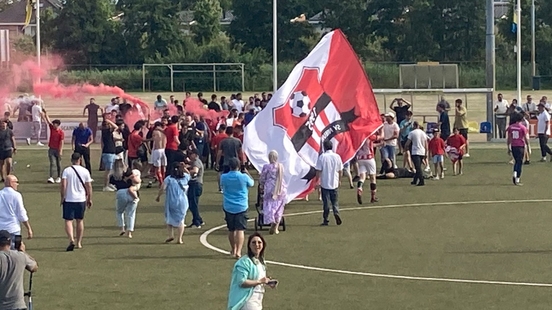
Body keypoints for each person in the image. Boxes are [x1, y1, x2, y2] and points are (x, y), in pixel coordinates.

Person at [227, 233, 277, 310]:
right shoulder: (244, 262)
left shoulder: (261, 261)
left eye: (259, 242)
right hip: (247, 300)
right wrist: (260, 281)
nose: (257, 245)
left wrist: (267, 282)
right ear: (249, 246)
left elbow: (258, 279)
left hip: (257, 299)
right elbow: (242, 282)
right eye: (253, 242)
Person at [221, 158, 254, 258]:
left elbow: (222, 185)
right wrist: (247, 172)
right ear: (239, 166)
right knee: (240, 230)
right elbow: (251, 183)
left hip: (228, 205)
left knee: (231, 230)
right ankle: (238, 251)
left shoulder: (224, 177)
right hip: (241, 205)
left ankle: (233, 249)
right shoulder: (243, 177)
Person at [60, 153, 93, 251]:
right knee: (80, 220)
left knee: (68, 220)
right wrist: (89, 198)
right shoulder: (85, 171)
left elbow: (63, 185)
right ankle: (79, 242)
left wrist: (62, 196)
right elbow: (89, 186)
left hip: (69, 199)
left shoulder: (66, 171)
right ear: (80, 159)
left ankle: (71, 239)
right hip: (81, 199)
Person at [0, 230, 38, 310]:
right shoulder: (20, 256)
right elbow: (34, 267)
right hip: (18, 305)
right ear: (10, 242)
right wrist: (23, 252)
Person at [156, 162, 191, 244]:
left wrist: (158, 196)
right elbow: (189, 174)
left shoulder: (169, 179)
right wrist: (184, 167)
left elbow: (162, 188)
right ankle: (180, 239)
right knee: (181, 220)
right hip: (182, 201)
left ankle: (170, 235)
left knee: (169, 217)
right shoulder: (185, 177)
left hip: (171, 201)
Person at [315, 140, 343, 226]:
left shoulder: (322, 157)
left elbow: (319, 171)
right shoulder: (337, 156)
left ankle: (326, 219)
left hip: (325, 183)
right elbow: (340, 170)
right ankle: (336, 212)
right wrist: (340, 180)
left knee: (326, 203)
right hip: (334, 182)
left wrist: (317, 181)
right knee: (335, 201)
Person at [259, 151, 287, 235]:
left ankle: (272, 221)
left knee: (269, 205)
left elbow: (263, 178)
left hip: (270, 188)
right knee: (279, 206)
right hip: (281, 188)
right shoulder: (281, 166)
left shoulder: (266, 167)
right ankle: (276, 226)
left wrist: (261, 184)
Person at [0, 175, 33, 245]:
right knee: (15, 252)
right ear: (11, 183)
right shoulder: (16, 195)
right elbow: (21, 213)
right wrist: (28, 228)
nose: (17, 184)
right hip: (13, 229)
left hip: (1, 228)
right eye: (16, 182)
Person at [114, 168, 141, 239]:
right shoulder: (133, 179)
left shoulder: (118, 177)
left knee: (119, 212)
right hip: (132, 194)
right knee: (131, 214)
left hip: (121, 192)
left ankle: (122, 228)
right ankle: (129, 232)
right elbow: (139, 181)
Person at [42, 109, 64, 184]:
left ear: (58, 125)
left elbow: (61, 142)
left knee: (58, 164)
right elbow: (48, 121)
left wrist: (60, 151)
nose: (53, 125)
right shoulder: (52, 128)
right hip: (51, 149)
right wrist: (46, 113)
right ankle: (51, 177)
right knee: (52, 163)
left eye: (55, 124)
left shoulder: (61, 132)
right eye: (53, 124)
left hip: (57, 149)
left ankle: (59, 177)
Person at [507, 113, 529, 186]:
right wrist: (528, 145)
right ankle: (517, 177)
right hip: (520, 146)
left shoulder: (511, 127)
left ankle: (515, 173)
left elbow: (509, 137)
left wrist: (508, 146)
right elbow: (525, 138)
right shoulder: (522, 127)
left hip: (513, 146)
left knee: (516, 160)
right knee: (519, 162)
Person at [405, 121, 428, 186]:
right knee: (418, 166)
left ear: (414, 126)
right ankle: (415, 180)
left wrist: (405, 147)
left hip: (415, 151)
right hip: (422, 151)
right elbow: (426, 143)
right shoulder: (423, 133)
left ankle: (421, 181)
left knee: (418, 167)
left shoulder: (412, 133)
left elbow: (408, 142)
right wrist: (426, 152)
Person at [355, 138, 378, 204]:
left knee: (362, 176)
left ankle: (360, 187)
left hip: (360, 158)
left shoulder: (358, 137)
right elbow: (379, 138)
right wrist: (380, 143)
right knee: (372, 177)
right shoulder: (369, 136)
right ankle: (373, 197)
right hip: (369, 157)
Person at [187, 149, 205, 229]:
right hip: (197, 184)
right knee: (193, 203)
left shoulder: (196, 162)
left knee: (193, 204)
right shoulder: (196, 162)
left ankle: (197, 222)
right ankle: (198, 219)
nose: (190, 155)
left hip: (195, 184)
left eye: (191, 154)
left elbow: (195, 171)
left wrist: (185, 171)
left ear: (195, 154)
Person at [150, 121, 167, 187]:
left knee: (157, 167)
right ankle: (163, 180)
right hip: (163, 149)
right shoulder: (164, 132)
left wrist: (147, 140)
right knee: (163, 166)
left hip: (157, 150)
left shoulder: (155, 132)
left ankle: (161, 182)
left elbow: (154, 139)